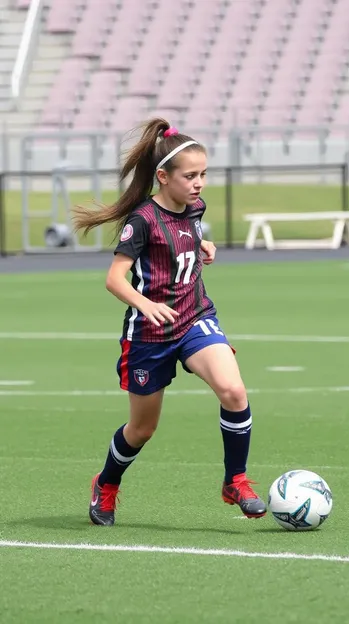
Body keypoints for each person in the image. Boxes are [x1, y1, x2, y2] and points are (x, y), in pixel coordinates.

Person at [72, 118, 267, 526]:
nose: (199, 184)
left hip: (196, 317)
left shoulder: (195, 207)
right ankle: (106, 483)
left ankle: (236, 479)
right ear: (163, 177)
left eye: (204, 175)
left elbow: (188, 236)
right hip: (149, 334)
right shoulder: (141, 220)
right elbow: (114, 279)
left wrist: (203, 244)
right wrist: (145, 304)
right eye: (190, 176)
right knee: (142, 429)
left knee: (233, 390)